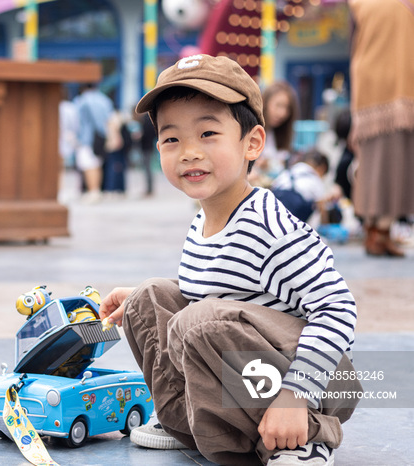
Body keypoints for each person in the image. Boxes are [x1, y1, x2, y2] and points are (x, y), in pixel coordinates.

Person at [98, 55, 360, 465]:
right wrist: (139, 301)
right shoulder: (202, 221)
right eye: (172, 139)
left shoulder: (270, 226)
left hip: (315, 382)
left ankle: (304, 438)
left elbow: (338, 308)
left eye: (207, 133)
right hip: (245, 371)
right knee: (151, 295)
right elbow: (215, 293)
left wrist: (296, 395)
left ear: (252, 143)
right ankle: (185, 422)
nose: (188, 152)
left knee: (198, 320)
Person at [348, 0, 414, 257]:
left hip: (382, 87)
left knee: (385, 164)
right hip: (386, 89)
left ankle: (380, 231)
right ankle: (377, 231)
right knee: (388, 162)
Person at [251, 81, 299, 187]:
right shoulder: (251, 129)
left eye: (287, 108)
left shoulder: (279, 133)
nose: (282, 113)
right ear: (265, 102)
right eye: (278, 105)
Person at [73, 82, 114, 203]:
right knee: (97, 165)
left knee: (88, 165)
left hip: (86, 138)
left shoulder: (81, 101)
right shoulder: (104, 100)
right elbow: (109, 119)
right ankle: (96, 190)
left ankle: (93, 191)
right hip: (100, 138)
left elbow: (77, 122)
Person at [271, 150, 331, 223]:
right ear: (322, 168)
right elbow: (322, 207)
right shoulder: (315, 179)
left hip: (273, 206)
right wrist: (325, 226)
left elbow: (274, 185)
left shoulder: (291, 170)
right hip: (292, 218)